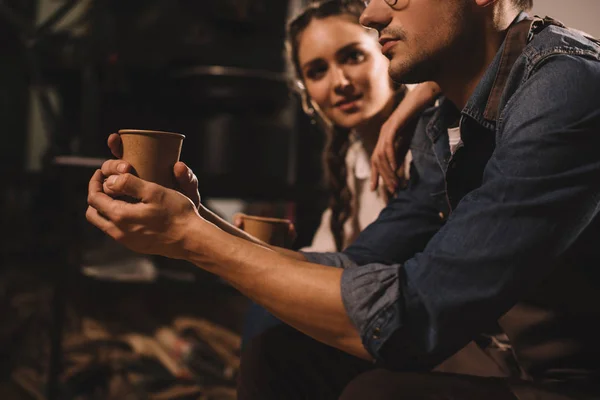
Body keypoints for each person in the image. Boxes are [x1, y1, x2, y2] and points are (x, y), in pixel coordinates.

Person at [86, 0, 600, 398]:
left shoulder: (565, 91)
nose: (373, 15)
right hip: (502, 356)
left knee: (379, 394)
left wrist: (191, 237)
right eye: (315, 71)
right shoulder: (443, 119)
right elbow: (358, 262)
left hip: (569, 380)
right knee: (281, 347)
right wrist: (194, 220)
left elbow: (416, 316)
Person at [237, 0, 441, 345]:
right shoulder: (350, 157)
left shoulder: (433, 136)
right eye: (318, 71)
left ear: (387, 53)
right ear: (306, 96)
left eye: (353, 57)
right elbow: (329, 263)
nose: (340, 82)